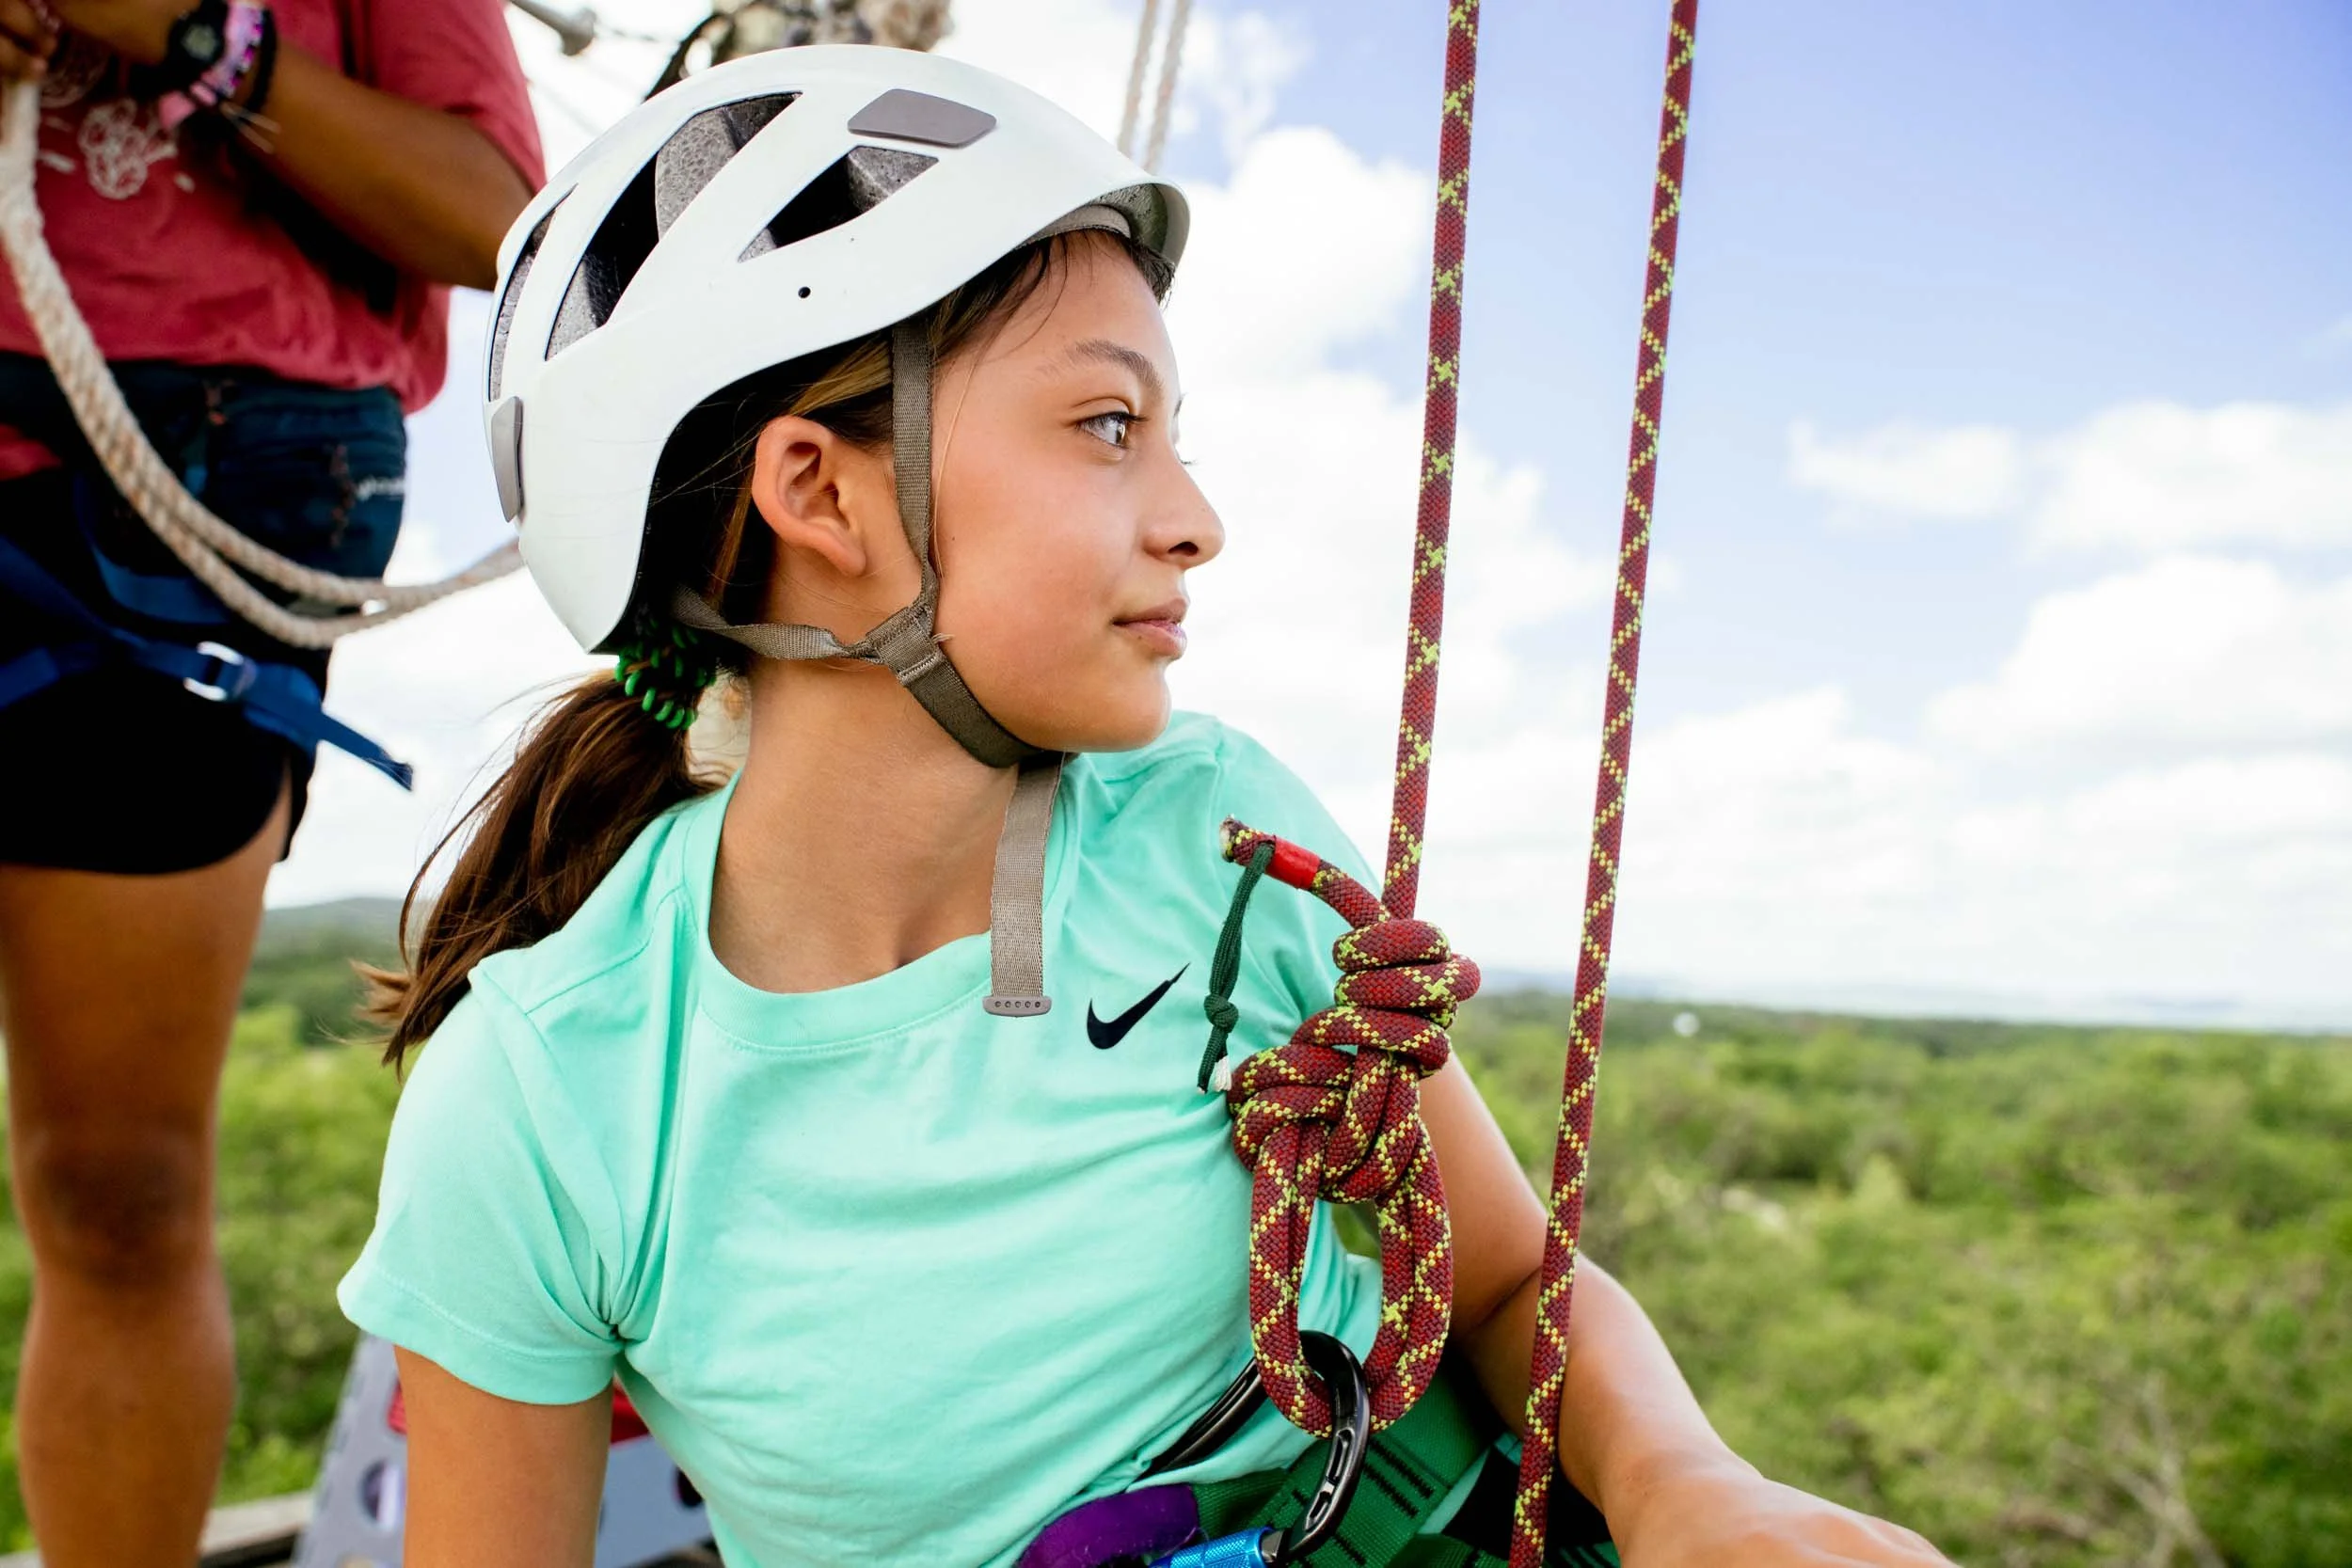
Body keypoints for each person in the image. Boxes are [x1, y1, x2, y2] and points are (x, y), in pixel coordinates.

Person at [339, 45, 1952, 1568]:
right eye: (1109, 425)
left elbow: (1507, 1278)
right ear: (819, 493)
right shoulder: (546, 1103)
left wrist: (1687, 1486)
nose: (1195, 520)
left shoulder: (1213, 835)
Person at [0, 0, 538, 1561]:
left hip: (196, 461)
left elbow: (491, 206)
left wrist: (187, 32)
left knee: (115, 1182)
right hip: (180, 457)